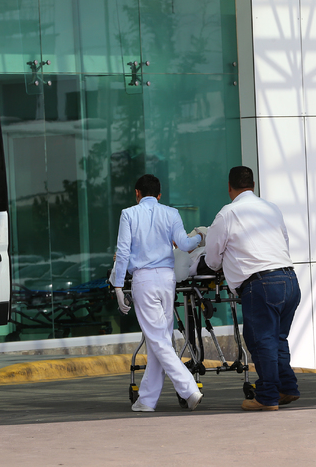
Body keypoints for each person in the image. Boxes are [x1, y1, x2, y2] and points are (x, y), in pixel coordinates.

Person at [204, 166, 301, 411]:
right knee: (278, 338)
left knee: (262, 341)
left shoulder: (228, 213)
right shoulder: (271, 208)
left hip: (261, 284)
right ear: (254, 185)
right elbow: (285, 242)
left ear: (229, 187)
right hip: (289, 279)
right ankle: (286, 388)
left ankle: (267, 396)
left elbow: (213, 259)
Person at [112, 174, 204, 412]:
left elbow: (122, 252)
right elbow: (184, 244)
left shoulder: (129, 214)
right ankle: (146, 400)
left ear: (137, 193)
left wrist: (118, 286)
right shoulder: (171, 213)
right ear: (160, 195)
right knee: (159, 338)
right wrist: (201, 237)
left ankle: (189, 389)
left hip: (143, 279)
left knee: (158, 340)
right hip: (167, 278)